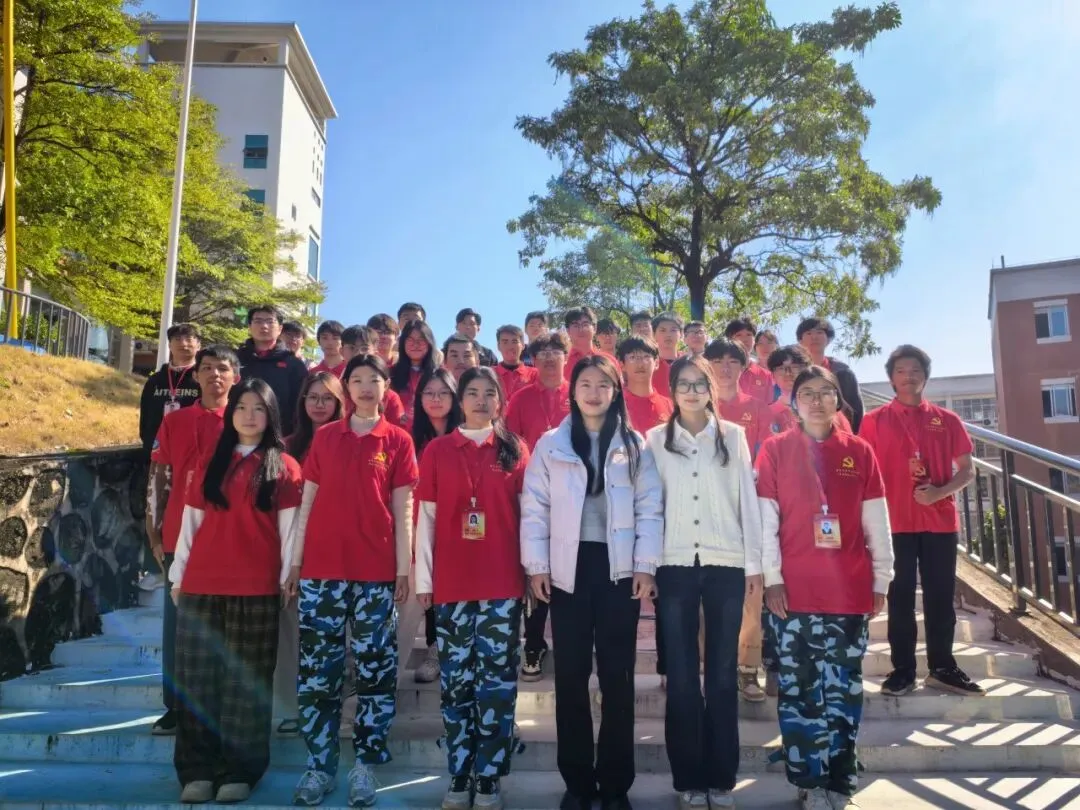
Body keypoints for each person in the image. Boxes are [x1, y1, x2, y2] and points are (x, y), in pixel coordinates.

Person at [521, 355, 663, 810]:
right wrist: (537, 566)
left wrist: (645, 564)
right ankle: (578, 782)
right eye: (586, 383)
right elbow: (535, 507)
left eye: (604, 384)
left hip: (618, 570)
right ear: (573, 389)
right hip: (568, 569)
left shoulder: (635, 445)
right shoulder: (552, 444)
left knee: (618, 677)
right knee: (571, 675)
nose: (594, 392)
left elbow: (650, 508)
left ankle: (616, 784)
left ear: (616, 391)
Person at [756, 365, 893, 810]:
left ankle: (840, 780)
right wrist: (773, 578)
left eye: (825, 392)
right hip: (793, 594)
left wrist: (881, 578)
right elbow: (765, 522)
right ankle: (809, 781)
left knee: (844, 691)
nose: (817, 401)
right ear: (794, 402)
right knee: (799, 691)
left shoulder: (860, 452)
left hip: (848, 593)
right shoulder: (775, 449)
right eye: (807, 393)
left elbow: (877, 522)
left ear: (839, 401)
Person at [285, 353, 417, 807]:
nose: (364, 387)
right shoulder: (326, 437)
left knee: (375, 670)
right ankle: (319, 767)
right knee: (318, 673)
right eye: (355, 379)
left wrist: (403, 569)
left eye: (372, 380)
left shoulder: (397, 440)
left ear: (385, 388)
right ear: (347, 389)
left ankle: (365, 764)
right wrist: (296, 562)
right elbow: (307, 503)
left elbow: (403, 509)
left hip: (375, 573)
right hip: (322, 571)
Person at [169, 378, 304, 804]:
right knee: (197, 680)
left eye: (258, 408)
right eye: (242, 406)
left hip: (256, 587)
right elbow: (190, 521)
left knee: (246, 683)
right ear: (230, 413)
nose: (249, 415)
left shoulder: (284, 466)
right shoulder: (211, 460)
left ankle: (239, 771)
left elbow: (290, 532)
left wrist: (287, 578)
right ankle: (196, 770)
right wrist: (178, 576)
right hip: (201, 584)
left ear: (271, 416)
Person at [647, 355, 762, 810]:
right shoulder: (655, 440)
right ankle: (688, 778)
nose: (692, 392)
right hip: (673, 564)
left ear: (711, 389)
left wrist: (754, 565)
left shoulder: (733, 436)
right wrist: (646, 562)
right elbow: (650, 506)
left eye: (700, 384)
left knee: (720, 675)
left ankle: (721, 778)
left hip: (725, 563)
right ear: (672, 390)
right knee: (680, 676)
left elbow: (747, 500)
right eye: (684, 384)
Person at [415, 366, 530, 810]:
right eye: (473, 393)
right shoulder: (438, 450)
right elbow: (425, 519)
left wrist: (531, 573)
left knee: (496, 685)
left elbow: (528, 516)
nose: (481, 401)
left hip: (502, 584)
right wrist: (425, 580)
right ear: (460, 400)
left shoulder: (515, 448)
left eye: (489, 393)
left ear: (500, 401)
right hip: (452, 585)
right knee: (457, 684)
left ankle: (489, 777)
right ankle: (459, 774)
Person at [858, 345, 981, 698]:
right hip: (893, 522)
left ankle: (943, 668)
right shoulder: (874, 421)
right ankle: (903, 670)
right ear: (891, 378)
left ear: (925, 376)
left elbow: (968, 471)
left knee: (940, 597)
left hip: (939, 521)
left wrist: (940, 492)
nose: (908, 376)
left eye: (914, 370)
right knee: (899, 599)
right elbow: (863, 473)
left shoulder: (948, 420)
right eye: (900, 371)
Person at [145, 345, 238, 737]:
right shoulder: (175, 421)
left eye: (223, 368)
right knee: (177, 626)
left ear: (235, 376)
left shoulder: (245, 420)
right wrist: (153, 531)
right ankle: (176, 706)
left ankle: (224, 705)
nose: (215, 374)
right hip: (178, 536)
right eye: (207, 368)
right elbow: (158, 477)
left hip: (231, 538)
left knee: (228, 626)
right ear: (195, 375)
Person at [275, 372, 347, 736]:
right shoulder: (286, 446)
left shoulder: (349, 443)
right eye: (313, 397)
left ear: (340, 403)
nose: (319, 404)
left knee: (333, 636)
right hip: (291, 547)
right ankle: (291, 707)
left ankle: (334, 706)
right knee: (291, 631)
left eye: (327, 398)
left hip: (335, 549)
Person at [702, 337, 772, 703]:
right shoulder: (696, 406)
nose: (725, 367)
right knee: (704, 594)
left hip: (746, 510)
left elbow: (763, 459)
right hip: (702, 511)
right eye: (718, 360)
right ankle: (709, 667)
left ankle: (747, 668)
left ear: (744, 367)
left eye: (733, 361)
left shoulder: (757, 408)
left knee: (750, 590)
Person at [505, 332, 573, 681]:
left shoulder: (577, 393)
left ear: (566, 356)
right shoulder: (520, 398)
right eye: (541, 352)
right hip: (532, 495)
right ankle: (533, 643)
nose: (548, 357)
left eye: (555, 351)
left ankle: (569, 642)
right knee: (536, 568)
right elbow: (509, 446)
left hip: (573, 495)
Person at [405, 368, 465, 685]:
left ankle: (451, 649)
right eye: (429, 393)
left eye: (443, 393)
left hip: (458, 524)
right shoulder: (409, 438)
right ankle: (434, 649)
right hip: (416, 523)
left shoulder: (464, 434)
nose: (436, 399)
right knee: (427, 587)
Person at [138, 322, 202, 590]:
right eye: (177, 339)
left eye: (190, 339)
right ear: (169, 344)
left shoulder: (201, 378)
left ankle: (190, 564)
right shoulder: (155, 381)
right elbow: (145, 420)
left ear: (198, 345)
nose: (184, 344)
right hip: (159, 456)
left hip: (192, 458)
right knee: (155, 508)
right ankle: (155, 567)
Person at [237, 305, 310, 436]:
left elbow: (300, 404)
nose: (264, 326)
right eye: (258, 321)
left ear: (280, 329)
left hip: (280, 435)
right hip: (239, 432)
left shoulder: (293, 363)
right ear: (249, 327)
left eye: (270, 322)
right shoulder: (236, 359)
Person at [795, 318, 864, 432]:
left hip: (840, 435)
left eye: (819, 332)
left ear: (828, 339)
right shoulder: (792, 374)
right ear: (800, 341)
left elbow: (856, 411)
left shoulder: (843, 373)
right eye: (808, 333)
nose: (814, 337)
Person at [767, 346, 852, 437]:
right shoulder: (766, 414)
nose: (788, 373)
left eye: (795, 367)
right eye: (781, 368)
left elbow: (848, 443)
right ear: (772, 376)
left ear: (809, 372)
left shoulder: (830, 412)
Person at [390, 320, 439, 432]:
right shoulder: (390, 374)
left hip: (429, 433)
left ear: (429, 343)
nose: (415, 344)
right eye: (410, 340)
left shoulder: (438, 375)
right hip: (397, 433)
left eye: (421, 340)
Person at [619, 337, 674, 434]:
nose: (640, 364)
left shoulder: (669, 405)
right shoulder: (615, 405)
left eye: (646, 357)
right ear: (622, 365)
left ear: (656, 363)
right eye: (632, 357)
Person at [564, 307, 620, 381]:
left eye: (585, 324)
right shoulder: (561, 364)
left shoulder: (609, 360)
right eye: (576, 325)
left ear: (594, 328)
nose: (581, 329)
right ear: (568, 331)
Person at [725, 319, 773, 404]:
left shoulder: (766, 375)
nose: (745, 339)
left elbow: (768, 407)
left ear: (754, 340)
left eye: (749, 334)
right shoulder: (720, 370)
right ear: (730, 340)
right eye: (738, 335)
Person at [494, 324, 539, 400]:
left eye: (514, 341)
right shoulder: (489, 374)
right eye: (505, 342)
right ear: (498, 346)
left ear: (523, 345)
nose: (510, 347)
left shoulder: (535, 374)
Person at [651, 313, 684, 399]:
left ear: (681, 334)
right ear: (653, 335)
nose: (668, 334)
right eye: (662, 330)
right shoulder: (649, 364)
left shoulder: (689, 361)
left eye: (673, 330)